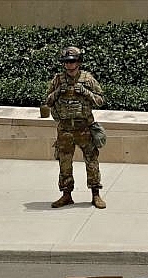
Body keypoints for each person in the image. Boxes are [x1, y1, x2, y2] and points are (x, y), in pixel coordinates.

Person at [45, 46, 107, 209]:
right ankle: (66, 194)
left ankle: (95, 194)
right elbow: (48, 101)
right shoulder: (58, 80)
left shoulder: (87, 79)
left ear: (78, 62)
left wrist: (85, 92)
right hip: (65, 128)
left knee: (91, 160)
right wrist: (58, 91)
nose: (69, 65)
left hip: (84, 127)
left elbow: (100, 100)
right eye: (66, 62)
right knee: (64, 161)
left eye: (72, 62)